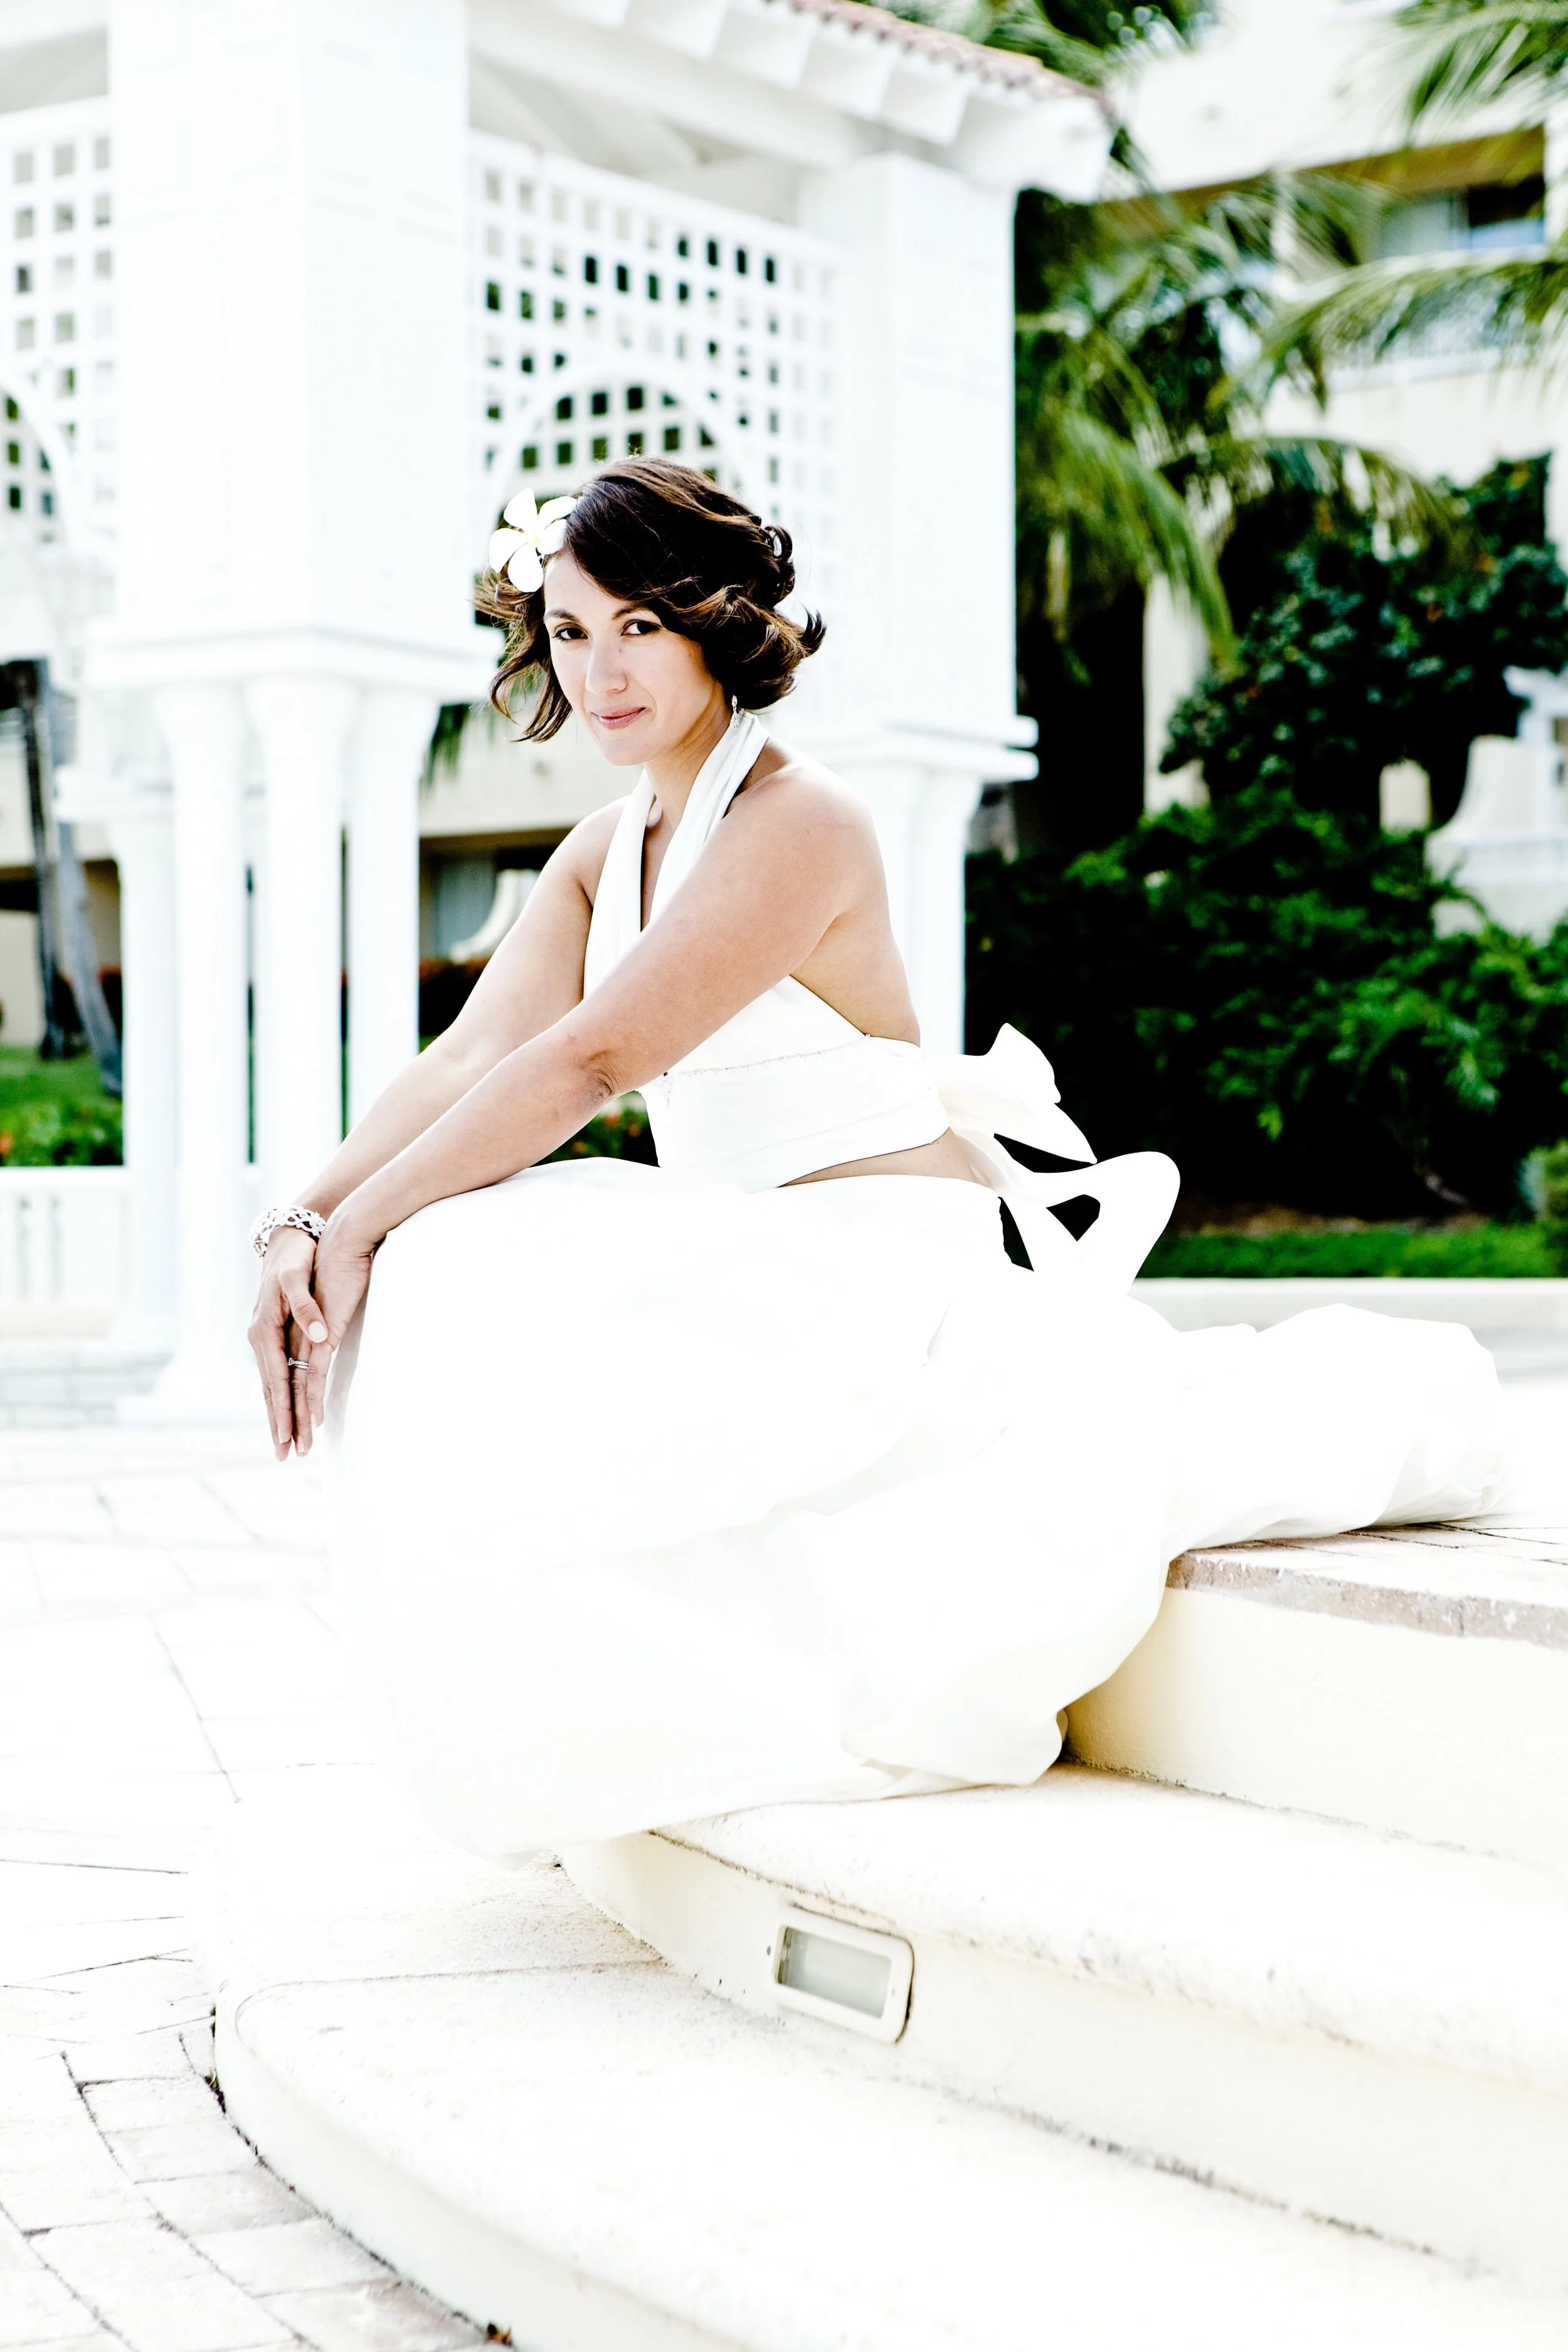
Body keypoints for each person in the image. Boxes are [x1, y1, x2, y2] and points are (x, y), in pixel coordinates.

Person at [248, 460, 1506, 1858]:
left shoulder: (800, 823)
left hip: (882, 1278)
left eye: (635, 628)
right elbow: (466, 1061)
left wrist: (363, 1229)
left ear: (715, 623)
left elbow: (587, 1065)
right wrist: (299, 1221)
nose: (597, 671)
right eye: (566, 631)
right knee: (440, 1251)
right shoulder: (608, 849)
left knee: (452, 1243)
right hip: (746, 1266)